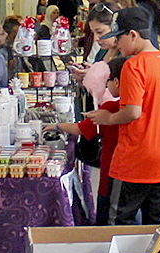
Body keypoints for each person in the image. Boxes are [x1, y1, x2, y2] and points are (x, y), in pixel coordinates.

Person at [87, 7, 160, 225]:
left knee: (119, 223)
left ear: (133, 35)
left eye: (119, 38)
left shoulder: (133, 65)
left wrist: (107, 118)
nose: (117, 45)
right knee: (156, 224)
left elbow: (132, 111)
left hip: (133, 161)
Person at [52, 55, 126, 226]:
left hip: (111, 169)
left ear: (116, 82)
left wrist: (56, 126)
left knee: (108, 215)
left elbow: (81, 128)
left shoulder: (110, 109)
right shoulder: (133, 109)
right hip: (131, 173)